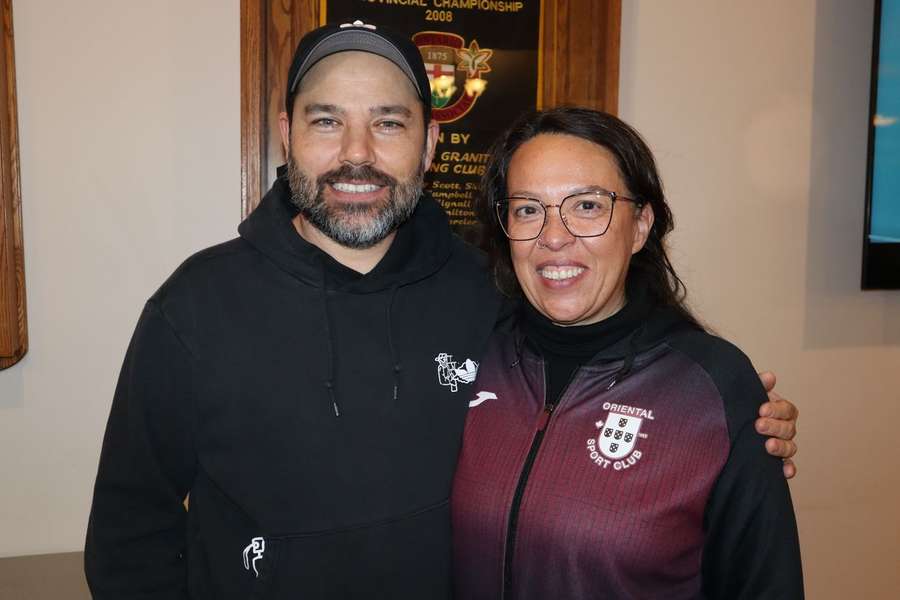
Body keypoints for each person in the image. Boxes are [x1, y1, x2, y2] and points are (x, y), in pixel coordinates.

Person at [84, 22, 798, 599]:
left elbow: (600, 364)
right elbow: (128, 540)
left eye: (388, 124)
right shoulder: (194, 308)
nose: (355, 154)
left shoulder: (488, 290)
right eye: (327, 121)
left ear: (429, 143)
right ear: (286, 134)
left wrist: (725, 421)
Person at [452, 107, 804, 599]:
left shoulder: (713, 385)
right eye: (528, 209)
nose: (554, 236)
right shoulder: (466, 354)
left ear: (640, 225)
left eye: (588, 206)